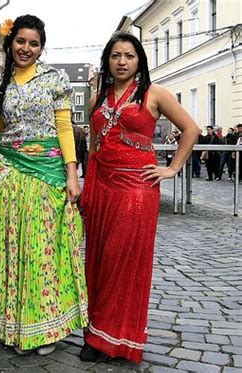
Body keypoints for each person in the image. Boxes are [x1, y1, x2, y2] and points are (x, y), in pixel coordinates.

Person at [80, 31, 198, 363]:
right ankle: (95, 333)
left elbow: (191, 129)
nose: (121, 62)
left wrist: (172, 168)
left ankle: (118, 339)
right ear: (107, 60)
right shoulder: (96, 99)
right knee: (99, 260)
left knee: (123, 261)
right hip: (102, 187)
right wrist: (87, 185)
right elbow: (94, 146)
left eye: (129, 56)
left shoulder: (155, 93)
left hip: (136, 189)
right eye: (116, 56)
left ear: (139, 61)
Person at [0, 15, 88, 356]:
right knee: (13, 250)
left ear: (41, 47)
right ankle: (15, 328)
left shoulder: (54, 79)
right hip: (11, 175)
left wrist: (72, 173)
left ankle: (46, 331)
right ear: (10, 43)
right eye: (21, 42)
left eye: (34, 43)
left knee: (42, 251)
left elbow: (63, 127)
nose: (26, 49)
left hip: (46, 173)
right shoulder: (0, 84)